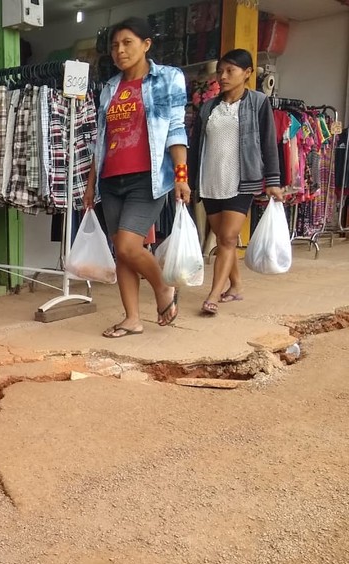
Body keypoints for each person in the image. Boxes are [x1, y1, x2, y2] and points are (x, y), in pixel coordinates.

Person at [83, 17, 190, 338]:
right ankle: (132, 318)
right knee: (122, 253)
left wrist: (181, 176)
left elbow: (176, 130)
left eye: (127, 42)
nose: (120, 50)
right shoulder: (109, 88)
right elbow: (100, 141)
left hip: (148, 178)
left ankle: (163, 290)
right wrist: (90, 186)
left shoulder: (168, 79)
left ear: (146, 45)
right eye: (115, 45)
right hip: (111, 180)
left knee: (129, 245)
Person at [188, 49, 283, 315]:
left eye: (231, 70)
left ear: (248, 73)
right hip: (210, 181)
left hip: (241, 181)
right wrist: (188, 181)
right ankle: (237, 286)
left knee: (228, 238)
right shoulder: (208, 107)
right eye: (221, 71)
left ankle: (213, 295)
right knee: (222, 238)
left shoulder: (258, 102)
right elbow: (196, 146)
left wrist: (273, 181)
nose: (223, 76)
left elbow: (268, 143)